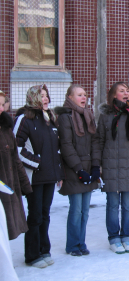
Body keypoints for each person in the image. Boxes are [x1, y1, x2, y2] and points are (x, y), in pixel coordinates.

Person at [14, 84, 64, 268]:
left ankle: (44, 249)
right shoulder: (24, 119)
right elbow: (16, 149)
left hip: (49, 176)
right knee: (35, 215)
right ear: (33, 97)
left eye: (47, 95)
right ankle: (32, 255)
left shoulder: (50, 119)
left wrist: (57, 172)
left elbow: (55, 150)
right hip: (33, 177)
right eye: (42, 95)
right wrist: (38, 163)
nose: (46, 99)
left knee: (45, 214)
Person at [97, 82, 129, 254]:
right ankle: (114, 238)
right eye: (121, 91)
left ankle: (127, 237)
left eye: (127, 90)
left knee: (127, 205)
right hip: (110, 165)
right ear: (113, 95)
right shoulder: (105, 116)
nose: (126, 93)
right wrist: (99, 165)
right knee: (112, 205)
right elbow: (99, 141)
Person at [55, 85, 100, 256]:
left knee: (85, 210)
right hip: (74, 170)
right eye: (79, 95)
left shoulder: (88, 116)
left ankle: (81, 242)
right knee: (76, 209)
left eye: (85, 95)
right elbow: (66, 146)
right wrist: (79, 169)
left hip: (88, 168)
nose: (84, 97)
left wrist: (95, 166)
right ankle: (73, 245)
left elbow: (95, 142)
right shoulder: (65, 118)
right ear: (70, 97)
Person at [0, 91, 32, 241]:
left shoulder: (6, 128)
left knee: (4, 230)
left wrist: (24, 184)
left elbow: (15, 158)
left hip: (7, 184)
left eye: (2, 105)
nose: (1, 109)